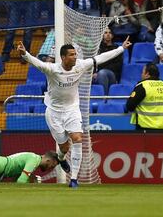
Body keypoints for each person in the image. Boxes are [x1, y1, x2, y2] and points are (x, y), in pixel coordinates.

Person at [17, 36, 132, 188]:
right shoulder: (52, 70)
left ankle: (74, 180)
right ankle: (61, 157)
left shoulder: (80, 65)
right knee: (64, 147)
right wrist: (25, 53)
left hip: (72, 109)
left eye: (75, 54)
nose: (75, 57)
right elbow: (37, 63)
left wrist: (121, 48)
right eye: (71, 55)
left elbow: (100, 58)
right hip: (54, 112)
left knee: (78, 139)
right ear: (63, 57)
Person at [126, 62, 163, 130]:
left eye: (143, 72)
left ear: (147, 74)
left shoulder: (143, 86)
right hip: (161, 130)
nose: (141, 74)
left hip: (144, 130)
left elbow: (129, 106)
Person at [93, 27, 122, 94]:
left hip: (112, 74)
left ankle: (104, 98)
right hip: (98, 73)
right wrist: (94, 72)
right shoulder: (99, 48)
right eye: (105, 33)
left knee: (102, 73)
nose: (108, 34)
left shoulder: (117, 48)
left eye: (110, 33)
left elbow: (117, 65)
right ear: (102, 35)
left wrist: (99, 70)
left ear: (112, 36)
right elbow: (94, 62)